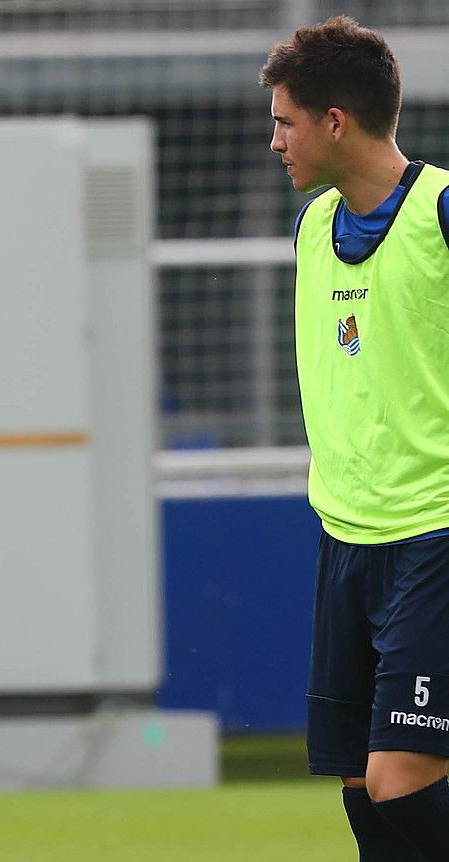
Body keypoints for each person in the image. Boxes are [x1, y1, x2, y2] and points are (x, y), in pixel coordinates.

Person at [264, 16, 449, 861]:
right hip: (346, 542)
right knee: (363, 803)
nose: (275, 142)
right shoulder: (310, 229)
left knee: (400, 785)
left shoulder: (441, 213)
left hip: (434, 536)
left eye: (284, 121)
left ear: (334, 120)